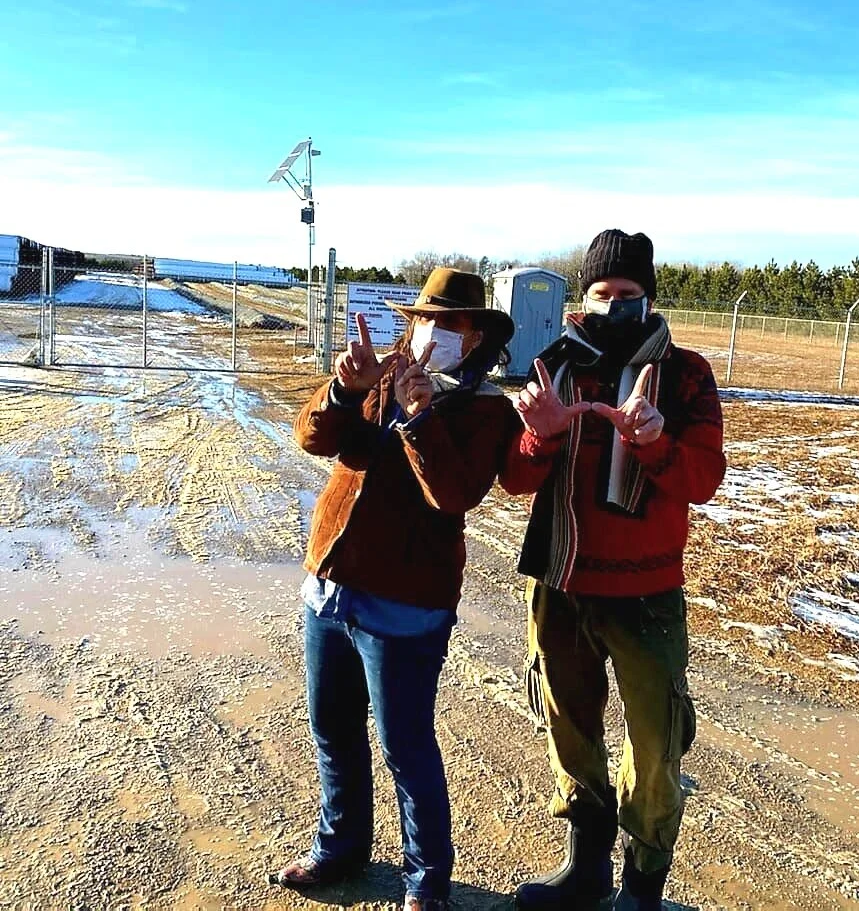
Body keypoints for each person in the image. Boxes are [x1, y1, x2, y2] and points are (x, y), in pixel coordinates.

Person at [273, 268, 518, 911]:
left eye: (450, 323)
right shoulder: (380, 376)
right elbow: (314, 439)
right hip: (330, 585)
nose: (432, 331)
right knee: (333, 729)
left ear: (475, 338)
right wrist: (343, 390)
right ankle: (340, 848)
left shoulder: (487, 409)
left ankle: (426, 883)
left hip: (406, 604)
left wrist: (421, 416)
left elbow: (455, 494)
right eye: (424, 318)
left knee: (405, 747)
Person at [500, 230, 726, 910]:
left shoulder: (686, 375)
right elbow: (516, 478)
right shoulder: (553, 365)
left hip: (647, 592)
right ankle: (587, 869)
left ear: (648, 297)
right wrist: (540, 435)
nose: (613, 303)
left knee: (656, 746)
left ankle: (642, 887)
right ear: (585, 295)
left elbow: (704, 479)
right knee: (568, 728)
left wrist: (654, 441)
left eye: (628, 293)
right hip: (561, 580)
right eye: (601, 292)